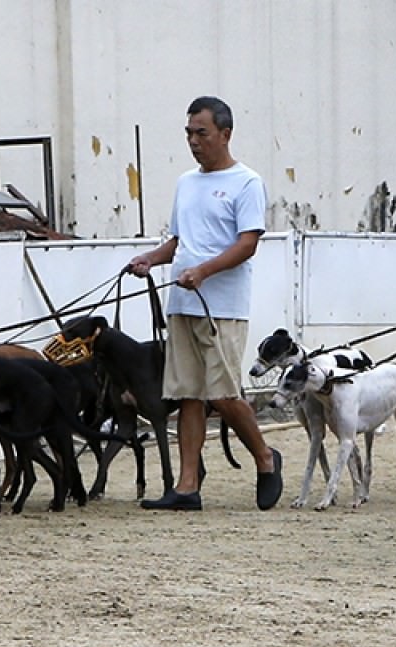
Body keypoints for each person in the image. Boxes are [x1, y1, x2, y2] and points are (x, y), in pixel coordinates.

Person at [126, 95, 282, 511]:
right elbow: (179, 242)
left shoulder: (246, 182)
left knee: (224, 395)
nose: (194, 141)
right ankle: (187, 486)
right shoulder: (185, 183)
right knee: (188, 395)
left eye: (202, 133)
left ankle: (266, 458)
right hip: (183, 303)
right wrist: (150, 259)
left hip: (223, 308)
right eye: (189, 133)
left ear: (225, 134)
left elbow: (247, 244)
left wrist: (205, 272)